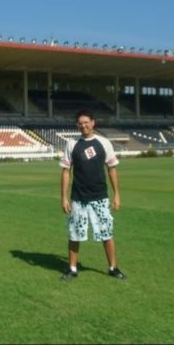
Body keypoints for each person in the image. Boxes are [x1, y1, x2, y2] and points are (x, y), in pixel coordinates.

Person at [59, 109, 126, 281]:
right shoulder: (72, 144)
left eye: (86, 122)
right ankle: (72, 268)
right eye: (80, 123)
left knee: (107, 233)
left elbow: (112, 169)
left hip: (100, 198)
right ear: (77, 125)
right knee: (75, 234)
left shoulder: (104, 143)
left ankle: (113, 267)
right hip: (78, 199)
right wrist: (64, 197)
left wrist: (117, 194)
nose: (83, 125)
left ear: (93, 122)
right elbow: (66, 171)